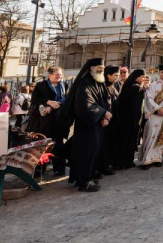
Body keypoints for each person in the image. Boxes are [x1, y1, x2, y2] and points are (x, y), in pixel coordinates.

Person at [63, 58, 112, 192]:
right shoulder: (84, 83)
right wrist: (103, 113)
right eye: (99, 67)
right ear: (91, 68)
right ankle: (84, 182)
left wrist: (105, 116)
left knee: (93, 152)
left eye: (103, 67)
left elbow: (106, 100)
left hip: (98, 123)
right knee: (85, 152)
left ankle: (86, 176)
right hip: (86, 125)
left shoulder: (100, 82)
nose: (101, 70)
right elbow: (85, 105)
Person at [28, 66, 67, 176]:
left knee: (58, 143)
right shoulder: (41, 85)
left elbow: (66, 99)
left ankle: (59, 168)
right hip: (43, 120)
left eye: (60, 74)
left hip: (58, 118)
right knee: (43, 143)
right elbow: (34, 100)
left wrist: (54, 107)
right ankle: (39, 170)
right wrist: (48, 102)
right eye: (57, 74)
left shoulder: (64, 85)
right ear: (50, 75)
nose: (59, 76)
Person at [139, 64, 163, 169]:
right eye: (162, 72)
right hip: (154, 114)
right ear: (159, 73)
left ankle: (157, 158)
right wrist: (157, 108)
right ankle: (147, 159)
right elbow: (149, 98)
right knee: (150, 136)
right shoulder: (152, 85)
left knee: (162, 138)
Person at [114, 69, 148, 169]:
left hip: (123, 118)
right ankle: (127, 162)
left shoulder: (129, 85)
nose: (143, 79)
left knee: (123, 140)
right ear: (137, 77)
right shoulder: (136, 88)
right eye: (142, 77)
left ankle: (120, 162)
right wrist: (136, 120)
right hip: (132, 119)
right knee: (130, 141)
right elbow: (135, 107)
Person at [96, 65, 120, 175]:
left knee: (109, 143)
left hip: (112, 120)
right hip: (105, 120)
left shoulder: (113, 86)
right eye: (116, 75)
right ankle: (102, 167)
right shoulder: (103, 86)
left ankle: (107, 164)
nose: (117, 78)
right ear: (108, 75)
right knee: (103, 144)